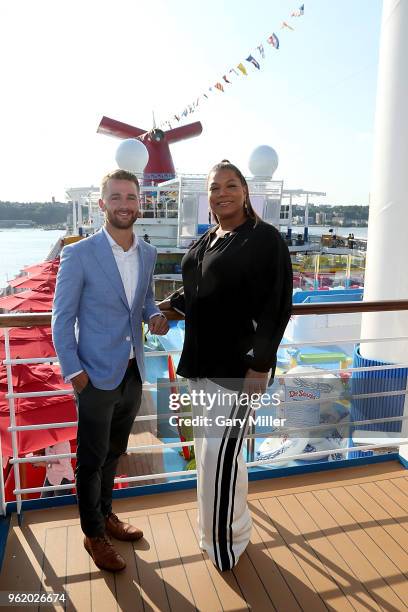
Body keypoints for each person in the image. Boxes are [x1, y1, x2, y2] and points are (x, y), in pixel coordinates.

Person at [160, 160, 293, 571]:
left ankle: (224, 547)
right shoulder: (209, 239)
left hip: (238, 369)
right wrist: (165, 308)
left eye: (230, 186)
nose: (222, 193)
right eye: (215, 187)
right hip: (201, 363)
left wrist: (260, 366)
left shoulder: (264, 239)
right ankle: (218, 531)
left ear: (245, 192)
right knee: (213, 455)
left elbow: (277, 306)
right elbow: (198, 289)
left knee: (220, 455)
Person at [52, 169, 169, 572]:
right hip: (94, 375)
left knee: (115, 452)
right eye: (116, 197)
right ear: (102, 204)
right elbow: (61, 318)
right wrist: (74, 372)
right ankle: (93, 534)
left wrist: (155, 316)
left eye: (130, 197)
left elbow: (144, 302)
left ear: (140, 203)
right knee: (91, 458)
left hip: (133, 371)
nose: (124, 204)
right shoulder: (79, 253)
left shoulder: (148, 253)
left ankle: (106, 516)